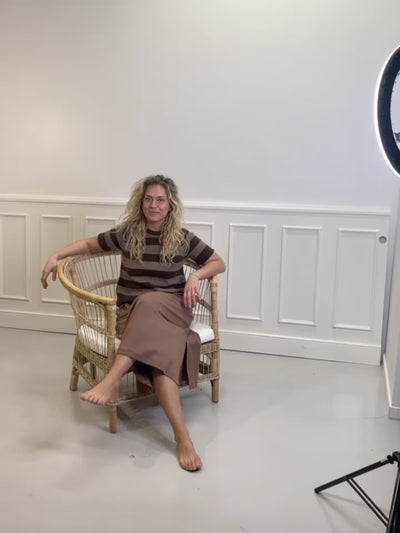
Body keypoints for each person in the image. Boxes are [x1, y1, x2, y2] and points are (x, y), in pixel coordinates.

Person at [41, 175, 226, 472]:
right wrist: (56, 255)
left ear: (170, 205)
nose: (154, 205)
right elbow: (89, 244)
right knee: (159, 363)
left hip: (173, 311)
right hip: (131, 315)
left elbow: (218, 262)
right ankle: (183, 437)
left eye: (161, 200)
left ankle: (113, 379)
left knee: (150, 301)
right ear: (141, 203)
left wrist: (196, 275)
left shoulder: (182, 238)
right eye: (148, 199)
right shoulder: (127, 233)